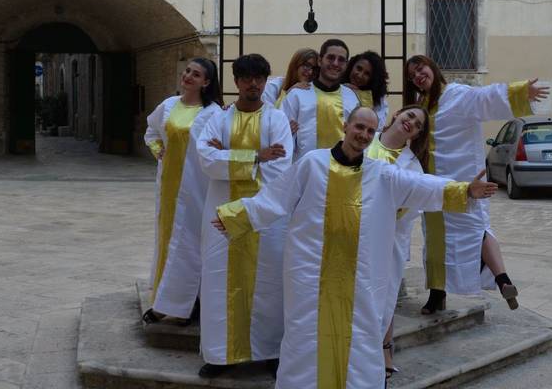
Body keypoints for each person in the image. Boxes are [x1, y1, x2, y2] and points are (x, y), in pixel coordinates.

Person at [212, 107, 498, 389]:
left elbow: (422, 186)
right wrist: (237, 216)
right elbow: (276, 197)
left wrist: (464, 190)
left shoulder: (383, 174)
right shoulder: (312, 163)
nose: (363, 134)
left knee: (360, 337)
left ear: (374, 135)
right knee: (305, 336)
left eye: (369, 130)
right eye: (359, 127)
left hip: (360, 279)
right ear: (345, 127)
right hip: (311, 276)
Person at [403, 54, 549, 314]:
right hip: (433, 184)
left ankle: (500, 278)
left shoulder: (458, 94)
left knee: (474, 228)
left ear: (432, 68)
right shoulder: (421, 105)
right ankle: (440, 293)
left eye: (420, 67)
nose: (418, 75)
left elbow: (486, 98)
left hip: (463, 178)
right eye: (412, 74)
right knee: (436, 240)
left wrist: (519, 92)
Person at [195, 54, 294, 378]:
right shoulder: (220, 119)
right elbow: (205, 158)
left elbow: (280, 166)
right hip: (221, 217)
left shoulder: (276, 119)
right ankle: (219, 355)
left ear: (266, 82)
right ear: (236, 81)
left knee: (269, 283)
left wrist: (230, 156)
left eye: (259, 78)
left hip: (266, 216)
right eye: (247, 78)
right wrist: (255, 157)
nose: (253, 84)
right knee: (218, 282)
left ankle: (270, 352)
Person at [142, 58, 222, 321]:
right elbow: (151, 131)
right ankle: (164, 301)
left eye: (196, 74)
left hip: (197, 190)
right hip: (168, 188)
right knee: (167, 240)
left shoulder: (213, 114)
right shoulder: (167, 106)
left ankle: (185, 305)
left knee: (188, 244)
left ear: (206, 82)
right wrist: (157, 149)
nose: (188, 76)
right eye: (187, 71)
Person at [365, 105, 430, 380]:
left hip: (388, 239)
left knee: (385, 295)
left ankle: (381, 351)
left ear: (415, 134)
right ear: (396, 115)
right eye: (409, 116)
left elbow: (409, 208)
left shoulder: (412, 166)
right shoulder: (366, 141)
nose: (411, 123)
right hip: (350, 232)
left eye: (416, 124)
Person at [281, 38, 360, 161]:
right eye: (330, 57)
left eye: (341, 60)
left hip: (342, 172)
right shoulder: (297, 95)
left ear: (346, 64)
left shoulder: (351, 98)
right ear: (319, 60)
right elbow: (283, 138)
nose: (335, 63)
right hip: (305, 171)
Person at [343, 50, 389, 129]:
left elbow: (375, 127)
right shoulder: (336, 85)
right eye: (359, 68)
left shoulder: (379, 103)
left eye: (367, 74)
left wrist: (362, 96)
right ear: (352, 66)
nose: (360, 75)